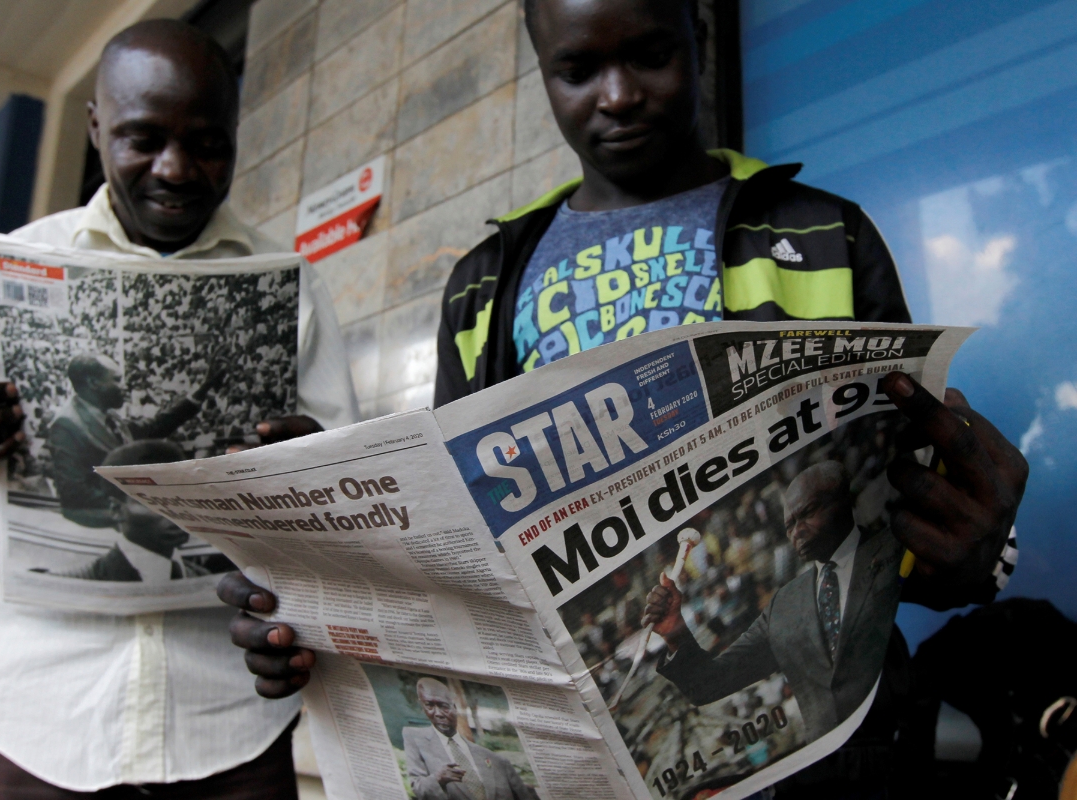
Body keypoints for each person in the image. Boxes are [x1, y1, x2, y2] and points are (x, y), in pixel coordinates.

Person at [222, 0, 1029, 792]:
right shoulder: (484, 285)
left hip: (840, 749)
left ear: (698, 39)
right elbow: (460, 534)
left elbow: (912, 500)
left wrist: (974, 552)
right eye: (577, 69)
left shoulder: (825, 235)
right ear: (543, 71)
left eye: (649, 54)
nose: (618, 94)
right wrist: (313, 583)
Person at [0, 18, 355, 799]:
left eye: (208, 143)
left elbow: (337, 524)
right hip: (18, 715)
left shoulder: (293, 289)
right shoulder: (13, 272)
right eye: (142, 139)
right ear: (96, 128)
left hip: (224, 722)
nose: (176, 169)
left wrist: (310, 473)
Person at [643, 462, 902, 742]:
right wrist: (675, 633)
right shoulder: (784, 605)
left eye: (808, 513)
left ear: (843, 500)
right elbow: (708, 684)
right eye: (789, 524)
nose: (797, 531)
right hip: (834, 767)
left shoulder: (896, 548)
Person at [48, 352, 225, 527]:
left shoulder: (106, 414)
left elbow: (154, 427)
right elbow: (73, 492)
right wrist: (139, 507)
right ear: (94, 383)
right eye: (116, 380)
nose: (124, 386)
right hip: (104, 525)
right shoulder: (67, 425)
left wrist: (202, 390)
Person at [44, 440, 230, 582]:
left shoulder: (205, 580)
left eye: (180, 497)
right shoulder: (76, 582)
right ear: (116, 510)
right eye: (152, 501)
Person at [403, 678, 538, 800]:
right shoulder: (415, 737)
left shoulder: (496, 760)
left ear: (454, 707)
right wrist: (438, 779)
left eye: (443, 706)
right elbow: (417, 788)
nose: (438, 714)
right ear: (422, 705)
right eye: (429, 705)